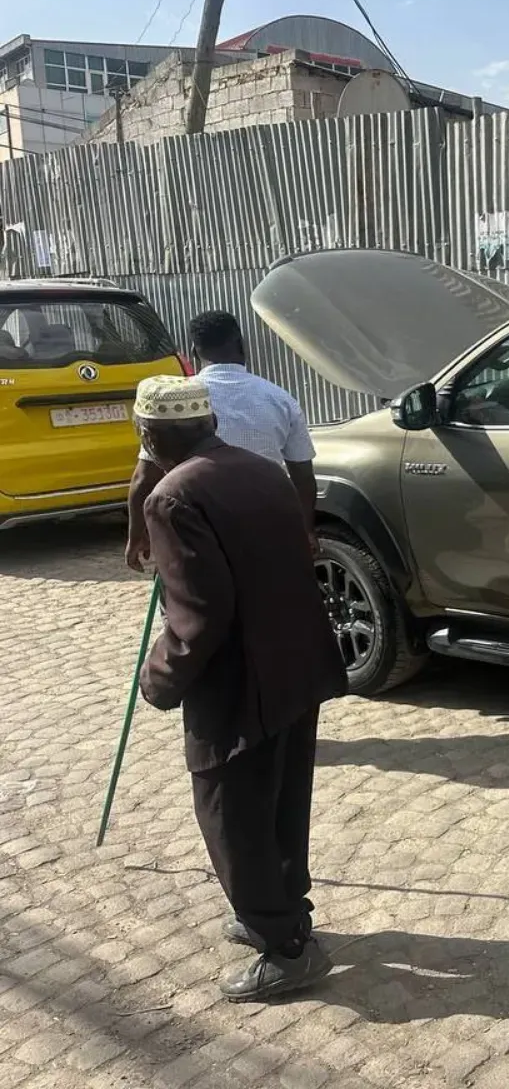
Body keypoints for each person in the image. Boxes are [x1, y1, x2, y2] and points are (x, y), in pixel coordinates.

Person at [133, 374, 347, 1002]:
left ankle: (283, 946)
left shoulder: (171, 498)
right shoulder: (259, 469)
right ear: (209, 424)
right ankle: (284, 907)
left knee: (230, 812)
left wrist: (159, 676)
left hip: (239, 681)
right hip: (295, 664)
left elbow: (200, 615)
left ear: (149, 434)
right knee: (280, 797)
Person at [126, 310, 318, 572]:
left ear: (194, 351)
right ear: (241, 344)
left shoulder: (177, 402)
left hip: (196, 528)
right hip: (265, 525)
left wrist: (137, 535)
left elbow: (143, 479)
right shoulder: (280, 399)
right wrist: (305, 529)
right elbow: (303, 476)